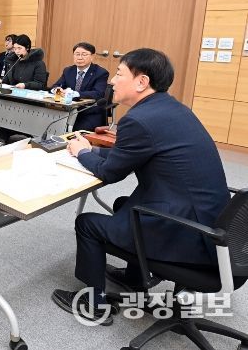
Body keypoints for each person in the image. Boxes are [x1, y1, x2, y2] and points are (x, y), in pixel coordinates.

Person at [52, 48, 230, 325]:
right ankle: (134, 279)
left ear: (141, 82)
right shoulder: (173, 109)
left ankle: (94, 303)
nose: (112, 81)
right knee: (124, 204)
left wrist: (82, 152)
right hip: (214, 224)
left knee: (87, 224)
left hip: (190, 234)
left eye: (119, 73)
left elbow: (110, 173)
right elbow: (131, 155)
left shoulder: (137, 120)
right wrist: (91, 150)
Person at [0, 34, 48, 146]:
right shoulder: (13, 61)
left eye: (19, 48)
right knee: (3, 110)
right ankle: (2, 137)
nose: (17, 51)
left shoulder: (38, 63)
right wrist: (1, 81)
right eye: (15, 48)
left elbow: (40, 84)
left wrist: (25, 85)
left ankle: (31, 135)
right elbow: (8, 79)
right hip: (14, 97)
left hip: (30, 100)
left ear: (27, 48)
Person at [50, 42, 109, 131]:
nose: (80, 57)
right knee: (51, 125)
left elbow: (98, 93)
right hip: (68, 111)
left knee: (75, 131)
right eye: (77, 54)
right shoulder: (68, 70)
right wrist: (57, 90)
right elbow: (56, 85)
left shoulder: (100, 72)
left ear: (92, 56)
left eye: (84, 54)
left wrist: (75, 94)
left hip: (88, 112)